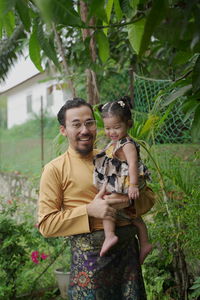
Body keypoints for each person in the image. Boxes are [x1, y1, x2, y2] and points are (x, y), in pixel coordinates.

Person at [38, 97, 147, 299]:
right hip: (90, 262)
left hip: (127, 256)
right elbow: (46, 225)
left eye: (89, 123)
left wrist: (130, 203)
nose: (85, 130)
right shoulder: (54, 170)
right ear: (63, 130)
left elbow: (148, 197)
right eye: (76, 124)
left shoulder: (115, 154)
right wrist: (88, 211)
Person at [93, 96, 155, 263]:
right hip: (121, 184)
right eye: (107, 128)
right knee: (133, 217)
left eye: (116, 127)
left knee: (106, 203)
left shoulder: (126, 144)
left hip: (129, 185)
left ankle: (110, 235)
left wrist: (134, 185)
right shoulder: (115, 143)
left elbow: (133, 164)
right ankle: (145, 243)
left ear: (128, 124)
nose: (111, 132)